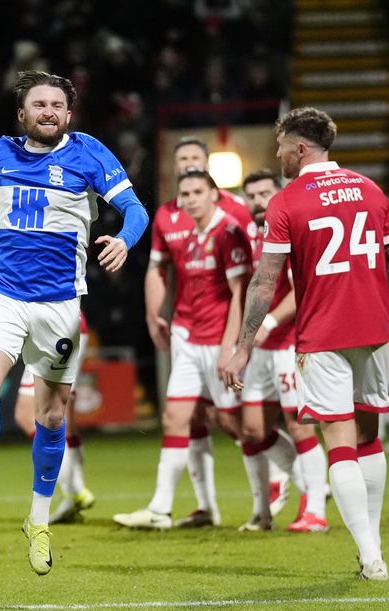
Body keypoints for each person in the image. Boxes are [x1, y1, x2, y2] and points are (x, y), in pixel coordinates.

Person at [0, 70, 148, 575]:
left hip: (60, 305)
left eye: (57, 105)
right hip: (3, 294)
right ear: (22, 114)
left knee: (51, 419)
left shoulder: (89, 153)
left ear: (68, 114)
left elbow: (134, 209)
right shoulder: (1, 153)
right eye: (39, 104)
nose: (48, 111)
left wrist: (123, 240)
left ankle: (38, 518)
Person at [223, 108, 389, 580]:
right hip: (372, 331)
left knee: (339, 441)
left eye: (282, 146)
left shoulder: (288, 201)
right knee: (369, 439)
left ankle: (370, 556)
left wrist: (243, 344)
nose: (279, 154)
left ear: (301, 148)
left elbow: (265, 282)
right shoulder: (370, 189)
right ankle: (375, 547)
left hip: (323, 335)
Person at [113, 169, 250, 530]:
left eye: (196, 192)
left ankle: (292, 475)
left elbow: (241, 293)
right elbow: (159, 273)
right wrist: (158, 316)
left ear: (213, 194)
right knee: (175, 418)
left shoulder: (230, 231)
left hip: (219, 339)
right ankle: (161, 508)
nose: (189, 199)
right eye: (184, 193)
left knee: (236, 424)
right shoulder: (179, 230)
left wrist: (230, 347)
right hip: (187, 337)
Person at [0, 294, 95, 524]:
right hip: (64, 318)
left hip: (52, 321)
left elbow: (31, 274)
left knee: (30, 413)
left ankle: (75, 491)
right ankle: (76, 491)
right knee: (63, 418)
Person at [239, 169, 328, 532]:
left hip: (290, 342)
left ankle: (316, 511)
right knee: (252, 430)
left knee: (301, 425)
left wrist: (270, 325)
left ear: (278, 194)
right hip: (259, 348)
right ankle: (300, 488)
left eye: (265, 194)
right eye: (252, 195)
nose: (259, 201)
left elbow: (300, 290)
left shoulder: (290, 229)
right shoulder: (248, 234)